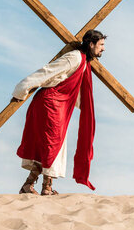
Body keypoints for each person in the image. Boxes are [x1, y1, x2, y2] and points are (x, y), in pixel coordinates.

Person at [12, 29, 106, 195]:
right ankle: (45, 188)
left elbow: (74, 87)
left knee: (55, 145)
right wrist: (23, 87)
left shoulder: (84, 62)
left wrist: (86, 108)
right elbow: (49, 71)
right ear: (91, 44)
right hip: (50, 104)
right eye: (101, 45)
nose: (103, 49)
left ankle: (33, 185)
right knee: (53, 143)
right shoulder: (75, 57)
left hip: (60, 105)